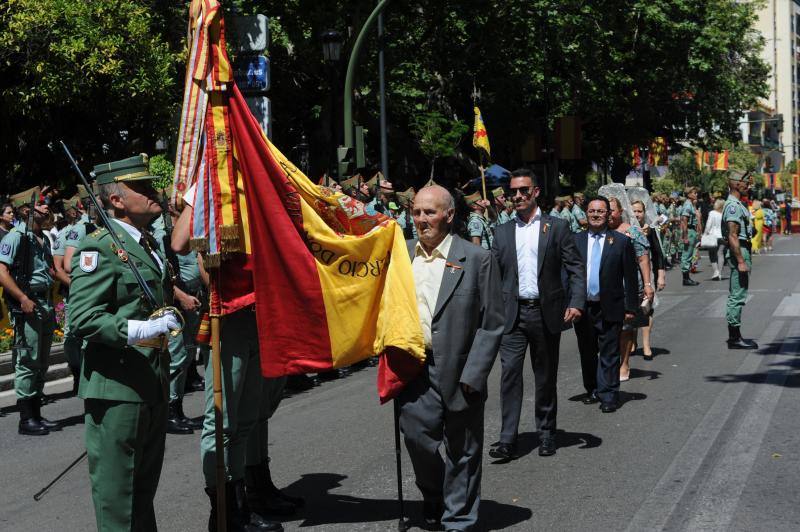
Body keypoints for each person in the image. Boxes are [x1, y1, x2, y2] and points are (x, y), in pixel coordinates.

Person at [68, 154, 182, 530]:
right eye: (142, 187)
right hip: (116, 388)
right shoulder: (99, 246)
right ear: (116, 200)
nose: (154, 193)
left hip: (151, 380)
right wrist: (140, 330)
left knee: (142, 494)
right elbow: (82, 317)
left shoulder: (145, 243)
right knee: (118, 500)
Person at [171, 184, 284, 532]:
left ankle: (241, 505)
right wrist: (200, 190)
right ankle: (223, 512)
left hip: (260, 313)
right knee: (222, 422)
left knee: (247, 419)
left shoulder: (256, 177)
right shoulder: (210, 184)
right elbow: (180, 243)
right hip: (228, 317)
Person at [399, 185, 503, 531]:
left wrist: (475, 374)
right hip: (414, 369)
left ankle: (458, 518)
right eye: (416, 212)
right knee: (417, 439)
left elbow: (492, 323)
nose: (421, 220)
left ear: (450, 215)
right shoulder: (401, 256)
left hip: (462, 371)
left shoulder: (476, 259)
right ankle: (434, 493)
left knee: (463, 450)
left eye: (429, 212)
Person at [489, 169, 585, 460]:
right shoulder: (502, 232)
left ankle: (546, 433)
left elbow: (575, 268)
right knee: (509, 377)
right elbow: (492, 275)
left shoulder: (556, 228)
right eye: (513, 191)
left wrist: (576, 301)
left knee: (545, 378)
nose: (517, 196)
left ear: (535, 192)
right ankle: (508, 439)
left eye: (523, 190)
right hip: (512, 316)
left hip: (545, 314)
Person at [0, 192, 59, 436]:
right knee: (27, 362)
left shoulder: (41, 238)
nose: (47, 212)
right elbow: (2, 272)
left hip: (43, 304)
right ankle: (26, 419)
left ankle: (36, 413)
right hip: (28, 305)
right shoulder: (16, 237)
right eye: (42, 207)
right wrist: (22, 298)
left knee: (42, 362)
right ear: (27, 210)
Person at [573, 197, 638, 412]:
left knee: (610, 352)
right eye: (592, 211)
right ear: (586, 214)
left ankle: (609, 394)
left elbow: (629, 276)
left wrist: (631, 307)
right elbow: (567, 275)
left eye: (600, 211)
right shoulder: (576, 241)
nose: (596, 215)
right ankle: (592, 389)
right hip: (583, 307)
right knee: (587, 351)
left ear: (608, 214)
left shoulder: (620, 241)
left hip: (610, 305)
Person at [602, 191, 654, 381]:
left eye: (612, 211)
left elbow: (643, 258)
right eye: (605, 211)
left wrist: (648, 284)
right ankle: (610, 363)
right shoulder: (599, 232)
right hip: (604, 289)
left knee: (625, 328)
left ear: (621, 211)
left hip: (627, 287)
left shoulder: (631, 231)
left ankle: (623, 365)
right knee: (608, 330)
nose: (608, 215)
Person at [723, 171, 759, 349]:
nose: (748, 186)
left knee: (739, 293)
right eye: (746, 183)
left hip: (744, 248)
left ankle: (736, 336)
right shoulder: (733, 206)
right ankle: (734, 338)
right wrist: (741, 261)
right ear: (736, 184)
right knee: (737, 295)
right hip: (740, 251)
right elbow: (733, 235)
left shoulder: (738, 204)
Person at [630, 199, 665, 360]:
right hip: (629, 274)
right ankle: (632, 341)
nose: (637, 214)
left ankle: (646, 345)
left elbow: (658, 254)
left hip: (646, 273)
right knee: (631, 309)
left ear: (644, 213)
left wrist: (661, 275)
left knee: (646, 309)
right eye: (634, 211)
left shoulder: (650, 230)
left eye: (639, 211)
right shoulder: (625, 228)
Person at [680, 187, 701, 285]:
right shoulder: (688, 205)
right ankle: (686, 278)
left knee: (689, 254)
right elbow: (684, 220)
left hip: (691, 230)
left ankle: (687, 277)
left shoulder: (691, 204)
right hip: (689, 230)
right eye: (694, 193)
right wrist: (685, 236)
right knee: (687, 255)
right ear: (689, 194)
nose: (696, 194)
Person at [704, 199, 726, 280]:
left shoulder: (712, 213)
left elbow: (708, 224)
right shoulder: (724, 214)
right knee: (720, 254)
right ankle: (720, 273)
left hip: (713, 235)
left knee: (712, 254)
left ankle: (716, 271)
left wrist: (705, 233)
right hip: (722, 236)